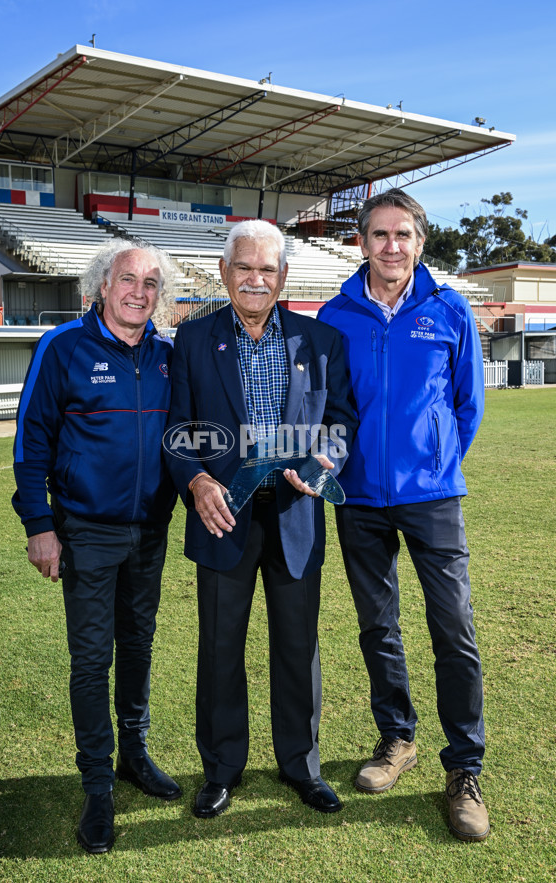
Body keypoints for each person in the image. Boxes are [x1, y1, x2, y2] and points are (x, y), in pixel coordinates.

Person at [165, 219, 356, 818]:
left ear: (284, 277)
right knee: (221, 647)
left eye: (266, 269)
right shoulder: (192, 341)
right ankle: (222, 769)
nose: (255, 279)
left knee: (298, 647)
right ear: (225, 272)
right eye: (243, 267)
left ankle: (302, 765)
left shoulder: (321, 342)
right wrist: (196, 481)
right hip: (223, 515)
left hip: (297, 513)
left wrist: (326, 455)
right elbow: (175, 430)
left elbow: (342, 420)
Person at [318, 189, 489, 842]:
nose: (392, 245)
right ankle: (397, 738)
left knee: (454, 629)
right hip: (358, 500)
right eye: (380, 234)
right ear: (361, 241)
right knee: (377, 626)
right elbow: (329, 405)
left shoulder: (449, 310)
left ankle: (465, 768)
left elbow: (467, 403)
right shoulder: (335, 316)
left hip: (433, 497)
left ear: (420, 242)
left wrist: (436, 462)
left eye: (404, 234)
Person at [12, 239, 181, 854]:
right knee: (92, 661)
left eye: (151, 283)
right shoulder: (63, 347)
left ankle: (133, 753)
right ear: (102, 286)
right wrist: (39, 525)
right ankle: (98, 785)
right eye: (127, 279)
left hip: (150, 531)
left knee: (138, 646)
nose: (139, 291)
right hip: (84, 530)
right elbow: (31, 442)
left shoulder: (168, 355)